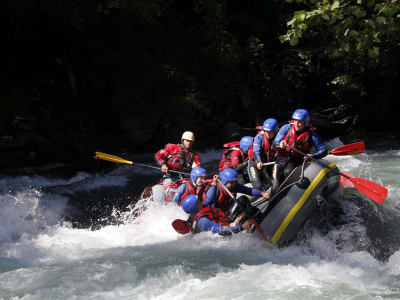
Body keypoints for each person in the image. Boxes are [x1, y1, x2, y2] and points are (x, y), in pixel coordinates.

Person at [271, 109, 327, 194]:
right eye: (295, 121)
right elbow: (275, 144)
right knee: (275, 184)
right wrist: (280, 145)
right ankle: (272, 199)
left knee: (287, 173)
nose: (296, 124)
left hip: (297, 161)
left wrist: (313, 156)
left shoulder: (311, 134)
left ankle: (288, 197)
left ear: (306, 122)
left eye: (300, 122)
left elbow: (324, 150)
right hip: (281, 159)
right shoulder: (286, 128)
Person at [200, 168, 270, 213]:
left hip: (227, 211)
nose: (234, 184)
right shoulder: (216, 189)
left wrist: (262, 193)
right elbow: (206, 203)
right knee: (242, 201)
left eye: (234, 181)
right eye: (231, 182)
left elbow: (249, 191)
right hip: (218, 216)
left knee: (246, 204)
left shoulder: (234, 186)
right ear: (225, 181)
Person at [155, 131, 201, 196]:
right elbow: (158, 155)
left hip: (184, 179)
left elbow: (198, 169)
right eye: (187, 140)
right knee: (171, 192)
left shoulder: (195, 156)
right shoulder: (172, 147)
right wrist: (163, 164)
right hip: (170, 176)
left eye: (191, 141)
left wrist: (200, 176)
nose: (189, 143)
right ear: (182, 140)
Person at [181, 194, 253, 235]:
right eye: (198, 201)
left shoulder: (192, 217)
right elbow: (222, 232)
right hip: (227, 231)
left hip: (224, 224)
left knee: (242, 200)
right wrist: (241, 227)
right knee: (251, 210)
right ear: (195, 206)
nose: (200, 201)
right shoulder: (203, 221)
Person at [247, 118, 279, 191]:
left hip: (268, 163)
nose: (267, 134)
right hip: (255, 162)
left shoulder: (279, 136)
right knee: (258, 186)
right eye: (266, 131)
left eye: (270, 132)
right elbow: (256, 151)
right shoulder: (259, 137)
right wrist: (259, 161)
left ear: (275, 131)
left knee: (271, 183)